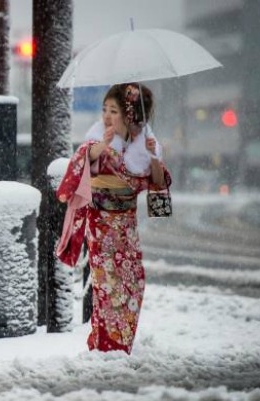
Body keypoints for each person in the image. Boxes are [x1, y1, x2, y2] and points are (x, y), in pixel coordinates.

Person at [56, 83, 171, 354]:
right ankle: (108, 346)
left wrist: (153, 157)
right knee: (108, 283)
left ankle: (119, 343)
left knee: (133, 281)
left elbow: (157, 183)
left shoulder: (143, 144)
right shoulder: (98, 138)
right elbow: (83, 158)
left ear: (129, 115)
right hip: (102, 222)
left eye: (114, 110)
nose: (107, 116)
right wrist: (102, 147)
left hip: (127, 224)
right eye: (104, 109)